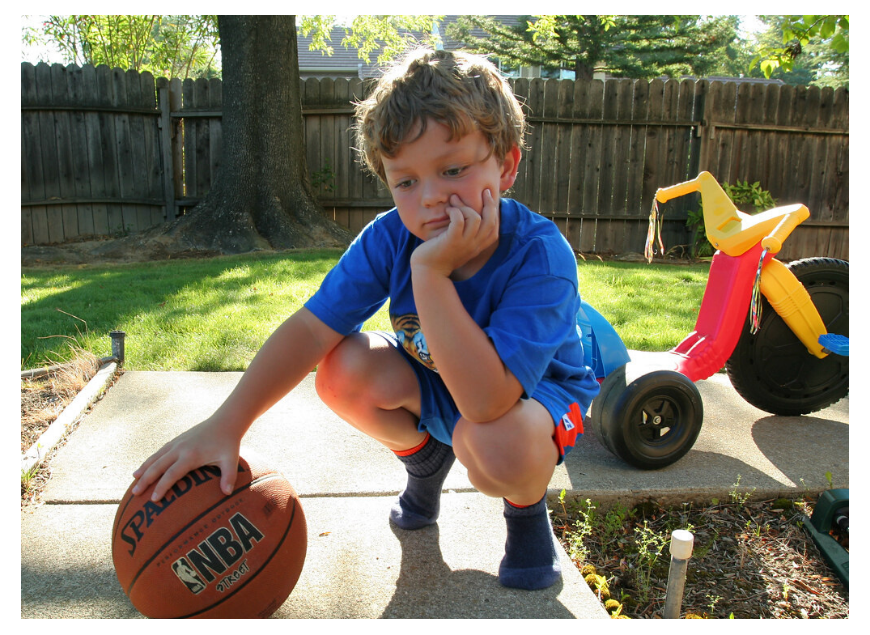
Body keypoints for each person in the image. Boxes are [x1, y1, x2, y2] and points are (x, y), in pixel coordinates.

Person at [132, 47, 600, 591]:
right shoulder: (389, 238)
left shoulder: (539, 255)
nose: (429, 199)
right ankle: (425, 460)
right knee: (340, 368)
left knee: (490, 442)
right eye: (405, 181)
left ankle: (525, 510)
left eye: (453, 169)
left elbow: (487, 402)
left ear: (507, 164)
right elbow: (311, 328)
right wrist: (227, 424)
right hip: (443, 384)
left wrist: (430, 275)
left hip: (527, 402)